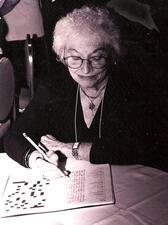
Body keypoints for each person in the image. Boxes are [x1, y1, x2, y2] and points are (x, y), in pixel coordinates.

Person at [4, 5, 166, 177]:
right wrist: (37, 160)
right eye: (75, 58)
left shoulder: (131, 87)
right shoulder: (55, 87)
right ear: (61, 56)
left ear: (111, 55)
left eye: (96, 58)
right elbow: (15, 136)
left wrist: (72, 148)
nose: (86, 69)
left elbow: (142, 147)